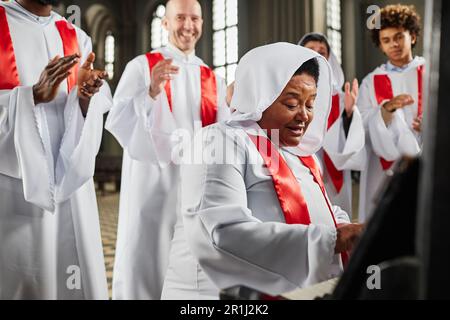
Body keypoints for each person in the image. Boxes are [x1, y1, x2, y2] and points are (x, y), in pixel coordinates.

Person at [161, 43, 364, 300]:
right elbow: (223, 234)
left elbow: (319, 207)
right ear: (260, 98)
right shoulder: (218, 141)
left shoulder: (299, 153)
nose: (304, 116)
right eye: (291, 104)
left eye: (310, 104)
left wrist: (348, 228)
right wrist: (332, 240)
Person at [106, 0, 229, 300]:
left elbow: (224, 137)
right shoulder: (141, 66)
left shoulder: (213, 78)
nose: (188, 25)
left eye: (195, 18)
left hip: (196, 190)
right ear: (165, 23)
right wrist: (149, 93)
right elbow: (118, 120)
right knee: (147, 257)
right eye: (180, 18)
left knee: (190, 266)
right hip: (152, 187)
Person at [0, 0, 111, 299]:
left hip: (71, 192)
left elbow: (93, 112)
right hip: (12, 193)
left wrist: (86, 97)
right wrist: (31, 97)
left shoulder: (76, 35)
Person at [357, 4, 424, 222]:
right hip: (384, 169)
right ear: (381, 45)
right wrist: (385, 110)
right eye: (386, 40)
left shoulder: (433, 71)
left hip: (428, 159)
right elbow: (361, 126)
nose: (393, 44)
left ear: (412, 36)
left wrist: (433, 125)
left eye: (399, 37)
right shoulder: (370, 82)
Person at [299, 33, 365, 218]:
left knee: (337, 219)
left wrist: (349, 113)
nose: (318, 54)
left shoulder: (340, 96)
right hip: (302, 163)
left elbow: (351, 137)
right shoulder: (290, 90)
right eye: (311, 50)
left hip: (333, 167)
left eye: (322, 51)